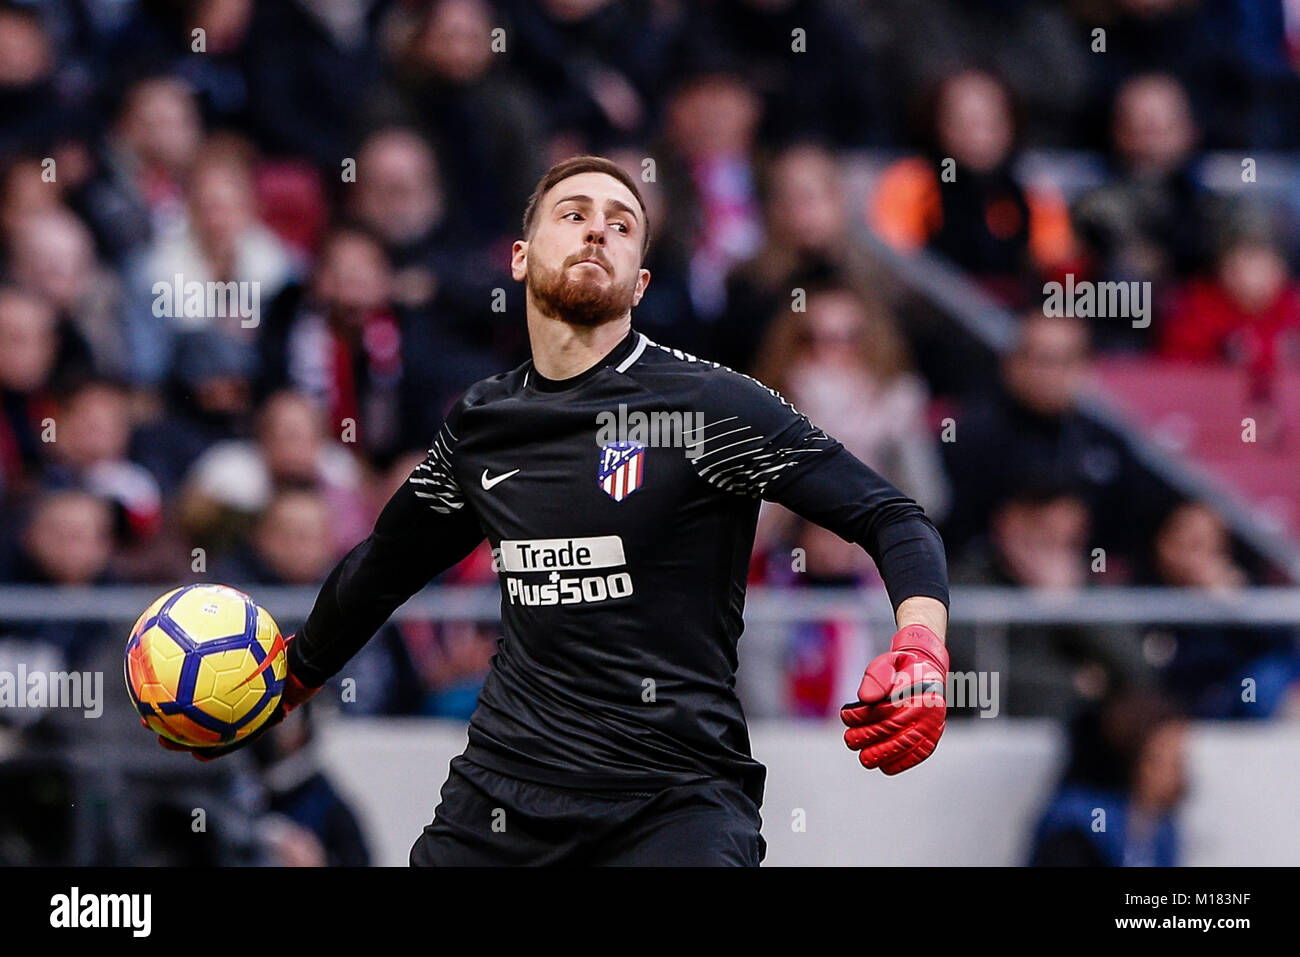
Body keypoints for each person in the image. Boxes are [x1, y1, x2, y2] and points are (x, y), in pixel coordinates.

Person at [157, 155, 951, 867]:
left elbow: (891, 515)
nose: (598, 232)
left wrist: (922, 646)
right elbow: (383, 566)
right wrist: (287, 682)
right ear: (520, 255)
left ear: (641, 282)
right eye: (573, 214)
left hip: (672, 802)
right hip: (503, 798)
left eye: (622, 224)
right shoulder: (483, 423)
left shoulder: (710, 406)